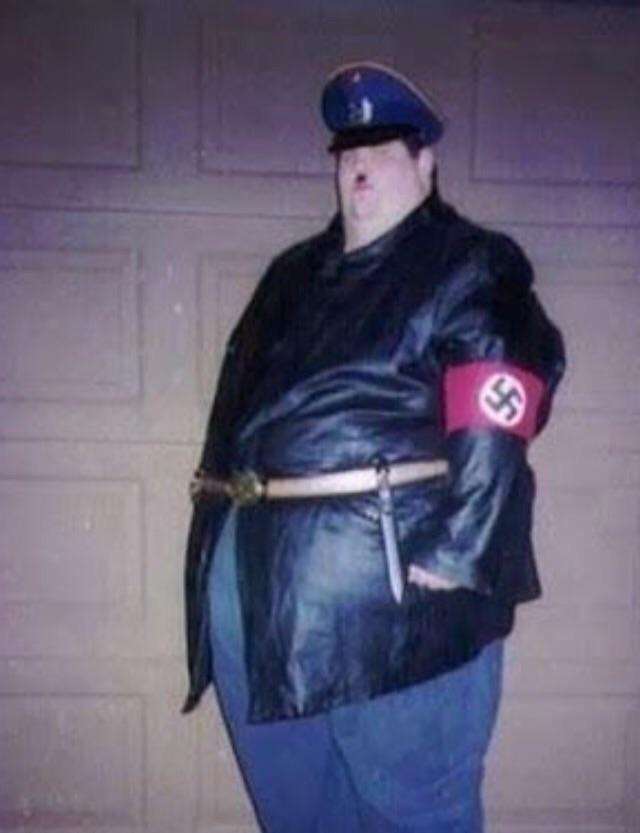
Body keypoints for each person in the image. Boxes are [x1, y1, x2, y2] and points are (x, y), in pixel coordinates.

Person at [182, 62, 565, 832]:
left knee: (415, 812)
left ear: (425, 162)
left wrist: (464, 550)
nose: (359, 164)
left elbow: (501, 394)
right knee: (300, 814)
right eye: (347, 152)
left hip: (388, 600)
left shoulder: (468, 261)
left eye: (383, 149)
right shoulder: (291, 275)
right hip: (254, 590)